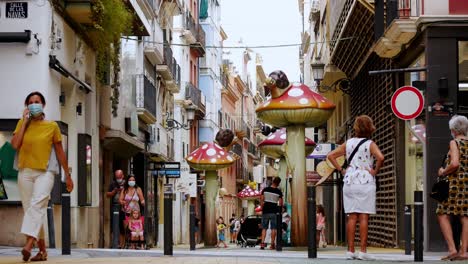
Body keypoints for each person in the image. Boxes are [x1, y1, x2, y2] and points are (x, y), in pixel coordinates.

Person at [11, 91, 74, 262]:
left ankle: (29, 245)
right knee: (31, 211)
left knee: (37, 205)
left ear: (43, 104)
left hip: (45, 173)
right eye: (30, 102)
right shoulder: (21, 124)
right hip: (25, 172)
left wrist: (67, 175)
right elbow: (15, 144)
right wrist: (24, 123)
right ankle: (43, 251)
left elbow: (60, 152)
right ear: (27, 106)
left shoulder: (52, 126)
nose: (34, 104)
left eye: (37, 101)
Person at [327, 115, 384, 260]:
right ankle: (363, 251)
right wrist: (374, 171)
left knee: (352, 216)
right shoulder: (370, 144)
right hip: (365, 181)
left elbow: (331, 155)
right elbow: (381, 157)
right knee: (364, 216)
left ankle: (350, 250)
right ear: (370, 127)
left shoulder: (349, 143)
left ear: (356, 128)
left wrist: (341, 170)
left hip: (350, 180)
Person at [436, 115, 468, 261]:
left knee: (442, 213)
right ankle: (464, 251)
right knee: (465, 217)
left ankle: (452, 249)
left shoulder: (454, 143)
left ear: (453, 130)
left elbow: (455, 164)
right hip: (467, 184)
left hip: (455, 184)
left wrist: (443, 171)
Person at [259, 177, 283, 250]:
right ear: (278, 183)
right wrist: (280, 211)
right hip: (274, 211)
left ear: (272, 181)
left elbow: (262, 200)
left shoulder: (265, 190)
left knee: (264, 228)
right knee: (273, 228)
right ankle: (272, 244)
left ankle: (262, 244)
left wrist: (262, 208)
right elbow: (281, 203)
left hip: (266, 210)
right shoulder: (279, 192)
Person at [106, 169, 126, 248]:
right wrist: (114, 191)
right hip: (115, 206)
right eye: (117, 177)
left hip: (124, 207)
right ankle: (114, 243)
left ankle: (122, 244)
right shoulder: (113, 184)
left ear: (122, 176)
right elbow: (107, 194)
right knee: (113, 225)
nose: (118, 179)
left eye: (119, 177)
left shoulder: (126, 184)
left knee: (122, 226)